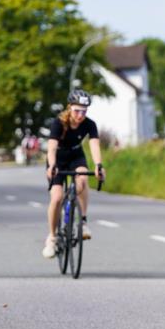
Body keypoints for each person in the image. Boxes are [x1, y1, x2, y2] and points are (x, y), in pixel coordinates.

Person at [42, 89, 105, 258]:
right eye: (77, 111)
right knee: (56, 197)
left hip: (76, 155)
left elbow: (94, 146)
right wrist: (52, 165)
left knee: (83, 178)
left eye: (84, 111)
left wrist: (99, 165)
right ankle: (52, 237)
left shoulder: (89, 124)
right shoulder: (58, 123)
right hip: (58, 158)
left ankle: (82, 221)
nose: (80, 115)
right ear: (69, 108)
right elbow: (52, 147)